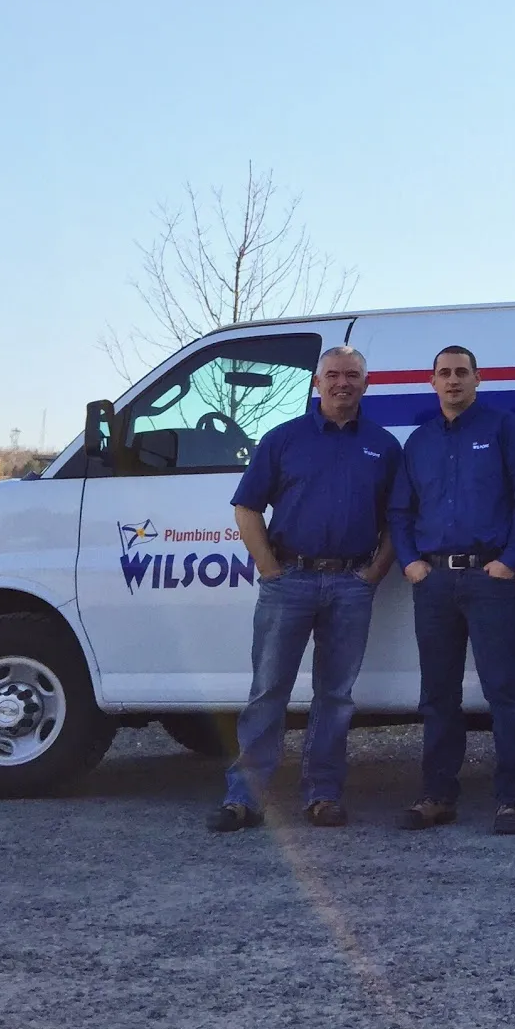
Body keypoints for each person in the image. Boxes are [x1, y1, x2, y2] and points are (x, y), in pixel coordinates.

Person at [208, 344, 400, 832]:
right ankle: (244, 798)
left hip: (351, 584)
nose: (342, 383)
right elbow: (247, 508)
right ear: (317, 383)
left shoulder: (383, 446)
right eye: (332, 374)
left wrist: (374, 573)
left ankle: (323, 794)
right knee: (268, 691)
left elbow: (399, 519)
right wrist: (270, 570)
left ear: (366, 384)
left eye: (351, 375)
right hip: (289, 580)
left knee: (335, 695)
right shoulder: (283, 439)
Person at [389, 344, 515, 834]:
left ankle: (513, 801)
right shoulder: (419, 442)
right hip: (433, 582)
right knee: (437, 695)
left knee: (504, 692)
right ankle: (437, 795)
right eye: (444, 373)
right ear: (431, 381)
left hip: (488, 579)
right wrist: (411, 562)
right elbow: (400, 510)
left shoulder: (505, 429)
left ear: (479, 378)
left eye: (461, 372)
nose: (453, 380)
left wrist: (509, 561)